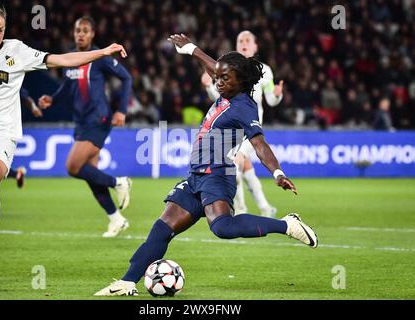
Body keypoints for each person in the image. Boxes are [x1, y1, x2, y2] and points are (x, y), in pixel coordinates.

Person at [94, 34, 317, 297]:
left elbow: (259, 144)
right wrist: (191, 49)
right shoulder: (228, 85)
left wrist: (277, 173)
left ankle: (287, 225)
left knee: (223, 227)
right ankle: (127, 282)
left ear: (240, 81)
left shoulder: (245, 107)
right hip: (197, 175)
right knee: (162, 228)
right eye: (218, 77)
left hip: (218, 175)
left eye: (224, 79)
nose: (218, 82)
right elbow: (216, 67)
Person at [0, 5, 127, 285]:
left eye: (1, 30)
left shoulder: (16, 50)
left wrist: (100, 52)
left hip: (3, 134)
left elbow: (63, 60)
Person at [38, 16, 133, 238]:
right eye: (77, 30)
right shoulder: (71, 58)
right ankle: (116, 219)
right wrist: (53, 99)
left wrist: (121, 111)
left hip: (98, 119)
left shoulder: (100, 58)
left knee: (72, 166)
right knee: (90, 174)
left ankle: (119, 182)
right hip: (81, 121)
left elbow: (126, 78)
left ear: (92, 35)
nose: (80, 34)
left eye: (85, 30)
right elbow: (68, 87)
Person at [201, 30, 283, 218]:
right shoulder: (228, 70)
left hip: (250, 129)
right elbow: (220, 98)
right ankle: (265, 208)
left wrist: (277, 95)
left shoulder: (265, 71)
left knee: (234, 164)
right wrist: (208, 86)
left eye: (248, 40)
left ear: (255, 46)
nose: (244, 43)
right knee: (244, 166)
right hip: (232, 128)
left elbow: (271, 100)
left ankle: (239, 210)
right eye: (240, 40)